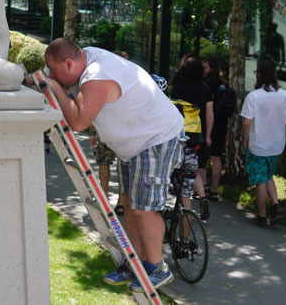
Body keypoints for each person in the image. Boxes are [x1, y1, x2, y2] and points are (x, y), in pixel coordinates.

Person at [44, 38, 184, 292]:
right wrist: (52, 82)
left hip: (155, 139)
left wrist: (55, 87)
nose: (50, 75)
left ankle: (158, 267)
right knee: (129, 206)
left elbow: (78, 122)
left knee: (144, 208)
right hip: (135, 145)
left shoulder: (97, 74)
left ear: (68, 63)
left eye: (53, 70)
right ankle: (136, 266)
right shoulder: (87, 58)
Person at [241, 59, 286, 227]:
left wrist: (245, 140)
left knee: (260, 180)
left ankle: (262, 216)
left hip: (258, 144)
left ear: (259, 74)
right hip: (277, 144)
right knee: (268, 175)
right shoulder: (284, 95)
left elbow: (246, 123)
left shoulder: (254, 96)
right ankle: (275, 205)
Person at [171, 57, 214, 221]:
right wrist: (208, 135)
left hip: (180, 134)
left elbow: (172, 110)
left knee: (177, 171)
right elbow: (210, 113)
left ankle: (180, 213)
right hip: (197, 133)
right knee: (192, 168)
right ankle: (202, 196)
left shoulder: (179, 87)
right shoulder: (205, 89)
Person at [91, 50, 130, 216]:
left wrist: (94, 130)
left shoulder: (104, 78)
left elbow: (96, 106)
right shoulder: (131, 80)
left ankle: (104, 197)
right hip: (124, 130)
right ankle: (120, 203)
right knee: (122, 165)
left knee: (103, 162)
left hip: (106, 128)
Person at [203, 58, 228, 200]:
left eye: (205, 68)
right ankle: (214, 189)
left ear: (211, 69)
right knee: (216, 158)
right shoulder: (224, 85)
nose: (203, 70)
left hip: (208, 125)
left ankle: (205, 187)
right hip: (221, 125)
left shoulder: (208, 86)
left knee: (203, 159)